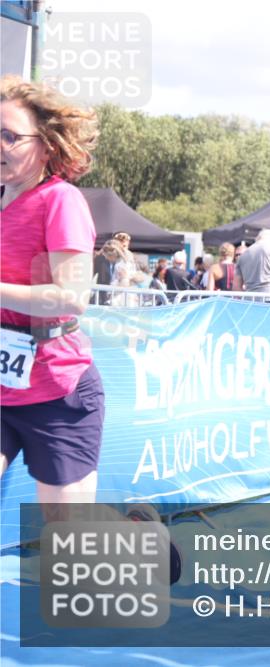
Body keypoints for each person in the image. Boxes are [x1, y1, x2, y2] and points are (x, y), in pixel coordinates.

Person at [0, 74, 104, 517]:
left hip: (57, 390)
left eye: (9, 135)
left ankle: (143, 536)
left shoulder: (60, 201)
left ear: (46, 146)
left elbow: (72, 297)